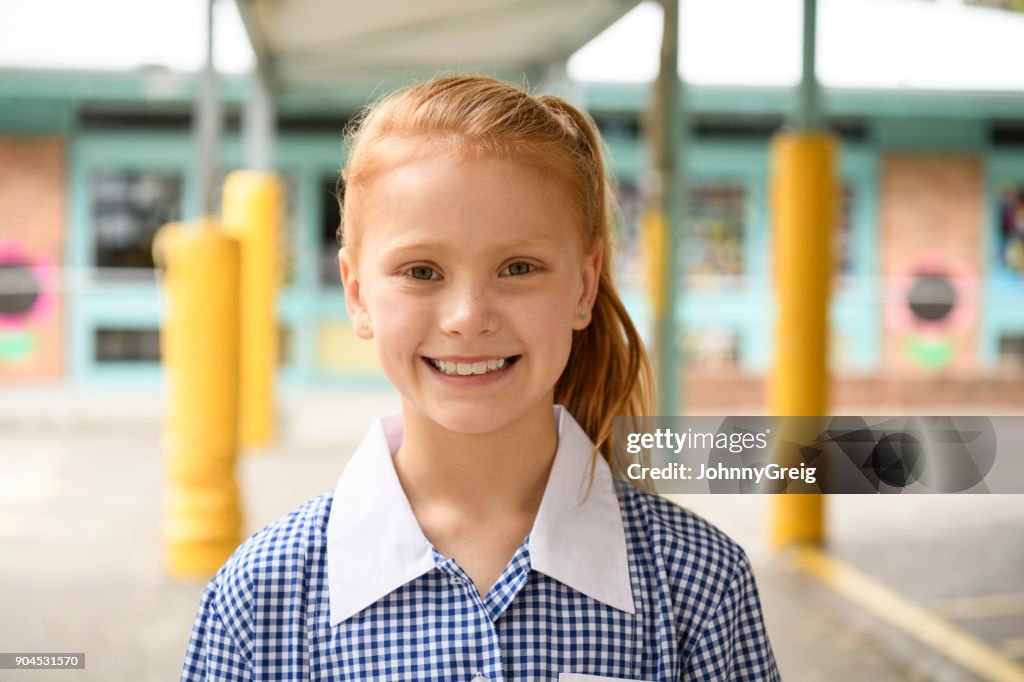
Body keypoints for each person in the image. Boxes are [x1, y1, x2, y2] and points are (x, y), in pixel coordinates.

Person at [181, 75, 780, 681]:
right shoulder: (262, 596)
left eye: (518, 267)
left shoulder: (697, 584)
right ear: (357, 294)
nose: (468, 318)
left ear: (585, 283)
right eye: (421, 270)